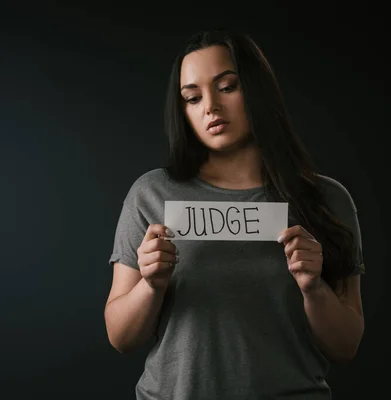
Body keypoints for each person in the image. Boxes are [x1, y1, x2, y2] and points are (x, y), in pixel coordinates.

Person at [104, 29, 366, 399]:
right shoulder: (151, 194)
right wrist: (150, 285)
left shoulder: (326, 198)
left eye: (227, 87)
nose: (210, 106)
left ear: (258, 90)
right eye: (192, 98)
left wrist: (313, 287)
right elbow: (121, 337)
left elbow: (345, 347)